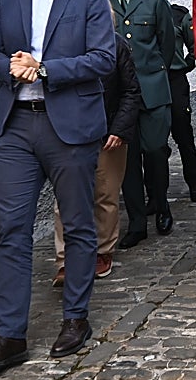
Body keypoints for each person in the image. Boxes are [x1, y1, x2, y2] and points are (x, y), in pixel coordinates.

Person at [0, 0, 115, 369]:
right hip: (15, 124)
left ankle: (75, 317)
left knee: (77, 224)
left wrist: (46, 68)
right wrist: (10, 67)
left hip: (69, 127)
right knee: (12, 230)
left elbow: (103, 58)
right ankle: (9, 335)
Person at [95, 0, 176, 248]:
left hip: (153, 91)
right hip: (119, 97)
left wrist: (153, 75)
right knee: (127, 162)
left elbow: (166, 44)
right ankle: (137, 223)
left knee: (155, 151)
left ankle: (162, 206)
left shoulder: (153, 0)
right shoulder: (99, 1)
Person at [52, 14, 142, 285]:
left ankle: (102, 251)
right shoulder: (62, 45)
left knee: (105, 194)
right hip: (70, 133)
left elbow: (131, 91)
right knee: (65, 198)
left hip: (107, 132)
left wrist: (119, 129)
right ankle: (66, 259)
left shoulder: (117, 46)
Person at [138, 0, 196, 203]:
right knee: (152, 143)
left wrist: (183, 67)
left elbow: (195, 48)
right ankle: (155, 194)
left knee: (183, 134)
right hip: (150, 82)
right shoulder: (137, 16)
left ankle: (194, 182)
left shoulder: (177, 15)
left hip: (174, 80)